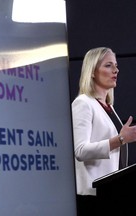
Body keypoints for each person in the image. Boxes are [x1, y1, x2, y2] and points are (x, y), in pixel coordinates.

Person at [71, 47, 136, 216]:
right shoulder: (83, 103)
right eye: (108, 65)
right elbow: (80, 151)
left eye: (116, 65)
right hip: (93, 195)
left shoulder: (109, 107)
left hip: (111, 192)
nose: (115, 70)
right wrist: (120, 139)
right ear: (92, 71)